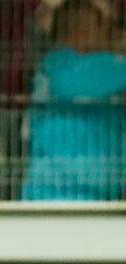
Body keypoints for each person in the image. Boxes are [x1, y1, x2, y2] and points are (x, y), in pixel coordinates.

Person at [22, 0, 126, 201]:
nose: (108, 35)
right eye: (102, 27)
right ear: (81, 31)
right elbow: (100, 75)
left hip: (96, 194)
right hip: (58, 195)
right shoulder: (59, 66)